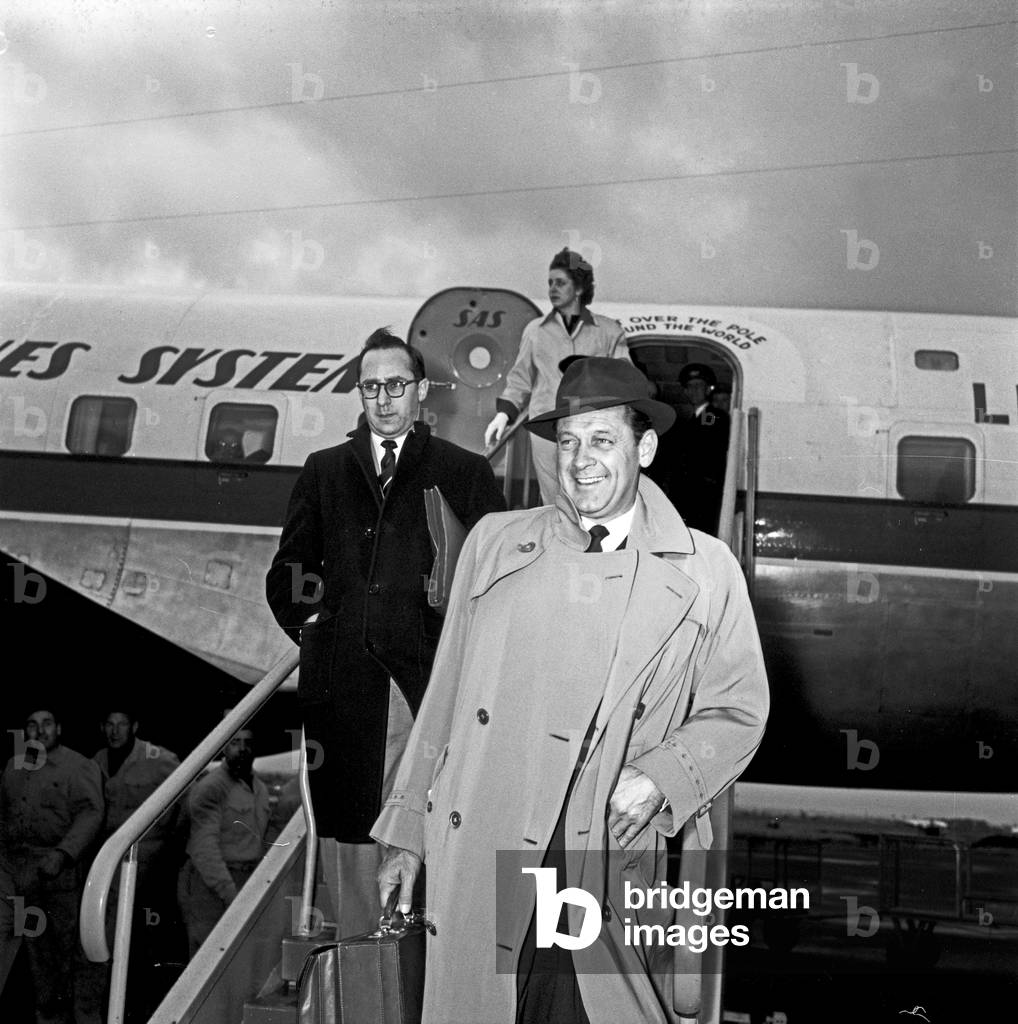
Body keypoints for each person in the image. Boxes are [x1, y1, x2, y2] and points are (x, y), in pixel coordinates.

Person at [375, 358, 769, 1024]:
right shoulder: (498, 543)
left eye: (602, 441)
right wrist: (408, 833)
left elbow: (737, 711)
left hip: (593, 853)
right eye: (569, 442)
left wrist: (659, 777)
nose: (580, 461)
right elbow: (443, 702)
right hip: (484, 839)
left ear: (643, 448)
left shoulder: (706, 569)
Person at [265, 327, 505, 937]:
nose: (383, 397)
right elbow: (288, 572)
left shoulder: (466, 473)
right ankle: (355, 959)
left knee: (425, 832)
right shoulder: (323, 471)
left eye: (395, 384)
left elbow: (500, 585)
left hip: (425, 687)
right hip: (344, 690)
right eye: (370, 386)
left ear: (420, 391)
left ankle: (421, 966)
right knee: (349, 844)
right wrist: (322, 629)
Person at [484, 247, 632, 503]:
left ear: (578, 288)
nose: (552, 289)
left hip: (591, 428)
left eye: (560, 283)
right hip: (546, 430)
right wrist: (503, 415)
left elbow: (625, 379)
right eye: (550, 282)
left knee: (589, 494)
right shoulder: (535, 331)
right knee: (554, 497)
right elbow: (520, 378)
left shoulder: (609, 332)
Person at [0, 709, 104, 1024]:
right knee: (31, 952)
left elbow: (91, 813)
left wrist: (63, 853)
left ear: (58, 728)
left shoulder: (79, 766)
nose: (40, 730)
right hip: (20, 874)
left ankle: (74, 1015)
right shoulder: (14, 766)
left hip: (60, 874)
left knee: (67, 952)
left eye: (47, 724)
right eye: (32, 724)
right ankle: (45, 1015)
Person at [176, 728, 268, 956]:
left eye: (248, 742)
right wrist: (230, 894)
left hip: (245, 881)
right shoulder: (210, 788)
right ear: (224, 747)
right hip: (211, 886)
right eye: (235, 742)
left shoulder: (260, 788)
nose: (243, 749)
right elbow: (204, 849)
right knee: (207, 961)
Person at [648, 363, 731, 534]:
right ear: (685, 392)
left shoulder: (714, 415)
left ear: (708, 389)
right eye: (690, 387)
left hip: (702, 493)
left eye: (699, 386)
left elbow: (703, 449)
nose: (694, 391)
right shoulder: (691, 420)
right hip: (687, 493)